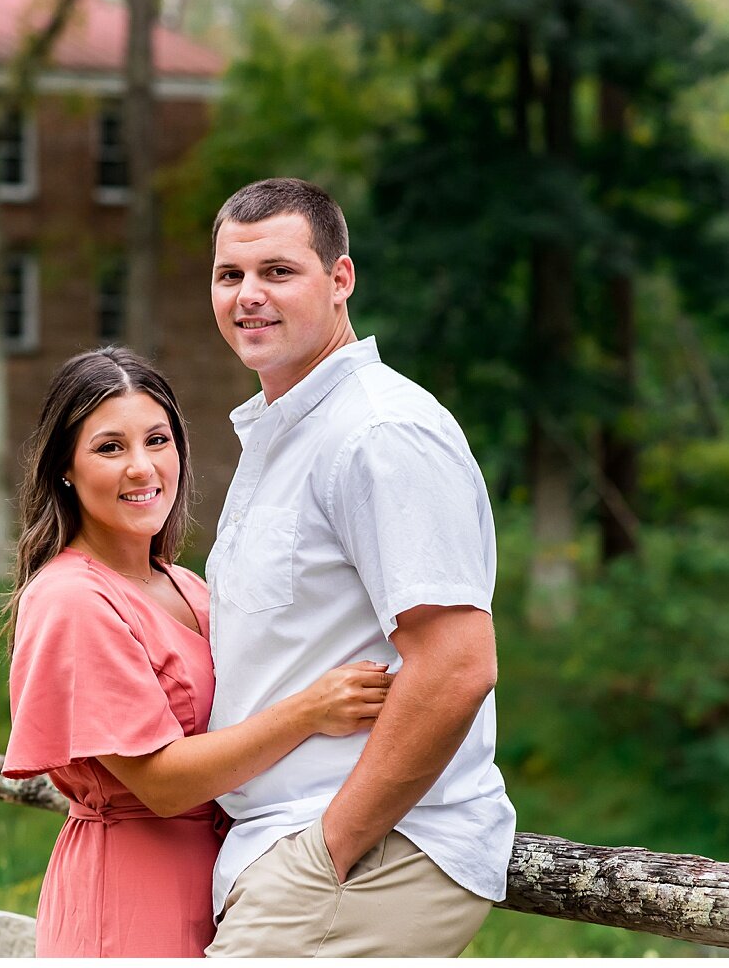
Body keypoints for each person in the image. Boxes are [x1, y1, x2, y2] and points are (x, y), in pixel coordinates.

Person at [202, 178, 516, 958]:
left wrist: (328, 851)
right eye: (229, 275)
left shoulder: (380, 434)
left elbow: (456, 666)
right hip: (290, 853)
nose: (249, 296)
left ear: (340, 280)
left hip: (371, 856)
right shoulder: (288, 433)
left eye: (278, 272)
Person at [1, 346, 395, 958]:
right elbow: (160, 784)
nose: (142, 467)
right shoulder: (71, 598)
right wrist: (309, 710)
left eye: (157, 440)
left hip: (222, 876)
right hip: (131, 895)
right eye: (110, 447)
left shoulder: (188, 586)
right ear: (65, 470)